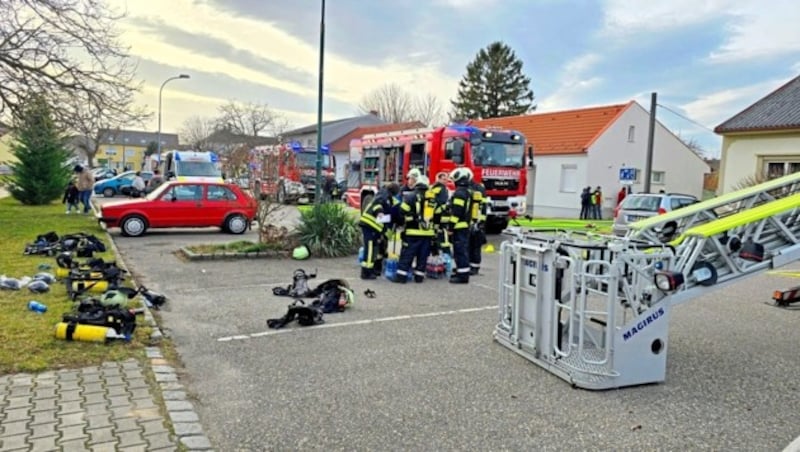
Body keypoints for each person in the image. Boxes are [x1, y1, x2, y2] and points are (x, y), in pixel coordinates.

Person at [391, 175, 437, 284]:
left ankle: (401, 277)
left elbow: (402, 212)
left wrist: (401, 223)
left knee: (407, 254)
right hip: (428, 233)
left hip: (412, 232)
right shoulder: (432, 198)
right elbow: (438, 215)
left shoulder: (411, 196)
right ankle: (419, 277)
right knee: (422, 256)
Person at [358, 183, 401, 279]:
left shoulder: (385, 194)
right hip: (370, 225)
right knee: (369, 249)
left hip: (372, 226)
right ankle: (366, 272)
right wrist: (380, 212)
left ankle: (370, 270)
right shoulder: (384, 195)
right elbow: (378, 205)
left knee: (373, 248)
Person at [447, 168, 474, 284]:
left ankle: (462, 276)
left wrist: (451, 227)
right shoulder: (468, 191)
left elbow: (457, 212)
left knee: (460, 251)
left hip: (459, 227)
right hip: (464, 226)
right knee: (461, 250)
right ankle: (461, 271)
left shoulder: (459, 193)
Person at [468, 174, 488, 275]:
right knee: (475, 246)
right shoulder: (480, 187)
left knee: (472, 246)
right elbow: (484, 207)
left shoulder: (469, 189)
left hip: (472, 222)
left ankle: (473, 267)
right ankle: (473, 267)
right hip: (478, 222)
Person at [430, 172, 451, 255]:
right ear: (438, 179)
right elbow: (441, 202)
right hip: (440, 215)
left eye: (446, 179)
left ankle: (435, 251)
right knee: (441, 233)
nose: (445, 181)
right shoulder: (441, 189)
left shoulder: (434, 187)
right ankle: (445, 252)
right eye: (443, 179)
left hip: (435, 215)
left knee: (435, 232)